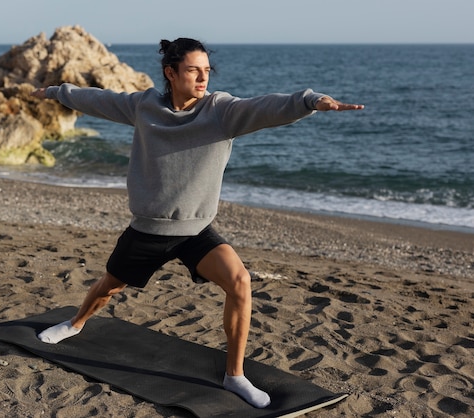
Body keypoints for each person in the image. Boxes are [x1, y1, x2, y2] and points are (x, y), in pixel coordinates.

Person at [30, 37, 363, 409]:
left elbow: (265, 107)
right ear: (171, 73)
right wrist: (58, 92)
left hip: (195, 231)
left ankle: (234, 375)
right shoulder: (144, 106)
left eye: (206, 71)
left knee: (240, 281)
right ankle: (75, 324)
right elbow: (99, 99)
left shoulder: (221, 111)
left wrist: (308, 100)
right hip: (149, 229)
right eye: (193, 70)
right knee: (110, 286)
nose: (203, 78)